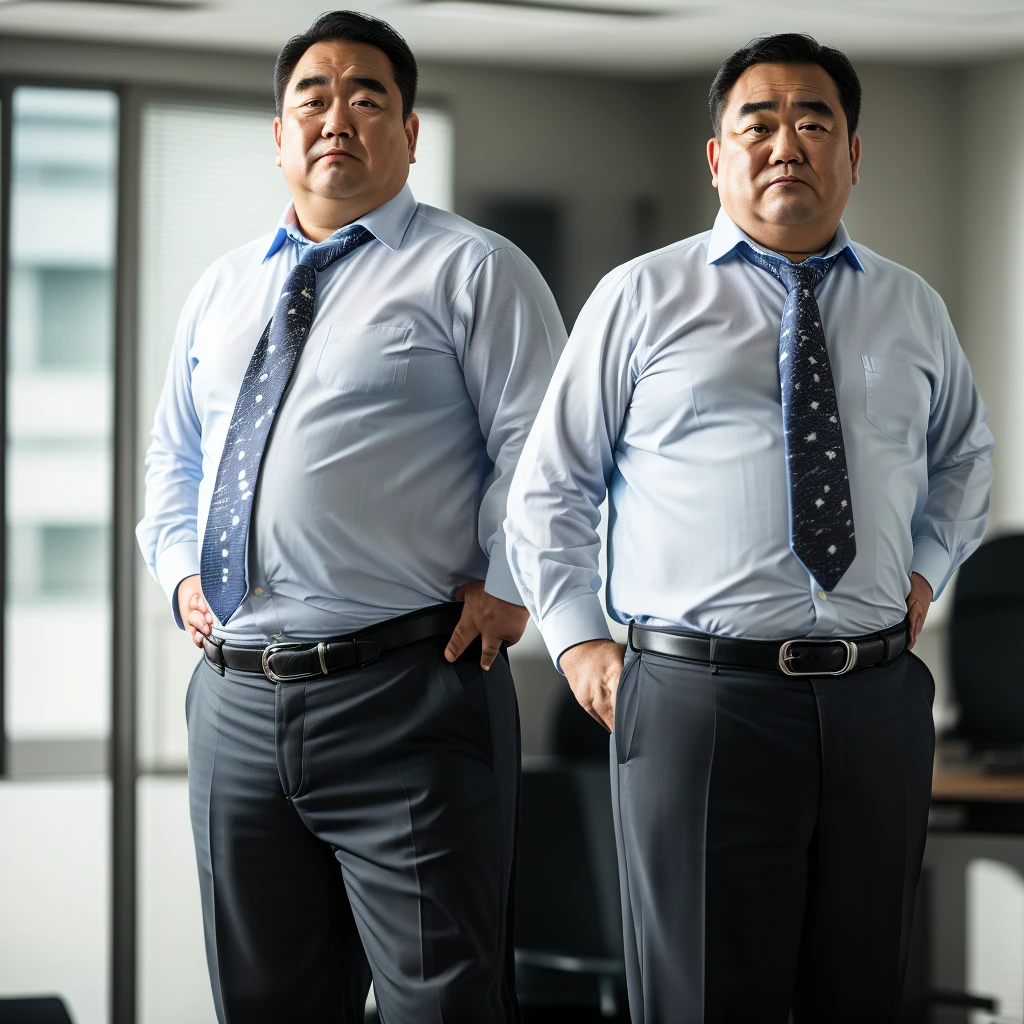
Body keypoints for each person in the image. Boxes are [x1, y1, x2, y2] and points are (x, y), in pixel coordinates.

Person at [505, 32, 994, 1023]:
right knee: (700, 997)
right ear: (716, 155)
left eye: (813, 121)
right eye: (757, 123)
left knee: (858, 993)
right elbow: (549, 488)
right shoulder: (640, 297)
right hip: (699, 700)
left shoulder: (912, 308)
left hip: (873, 703)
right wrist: (578, 640)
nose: (785, 143)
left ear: (853, 154)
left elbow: (965, 461)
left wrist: (929, 567)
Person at [137, 11, 565, 1022]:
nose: (338, 116)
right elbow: (175, 455)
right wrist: (180, 574)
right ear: (277, 136)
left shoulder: (475, 269)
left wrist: (511, 590)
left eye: (367, 95)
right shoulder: (222, 286)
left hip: (409, 694)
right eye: (312, 98)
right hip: (235, 702)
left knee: (442, 1004)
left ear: (409, 133)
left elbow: (544, 452)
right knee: (265, 1002)